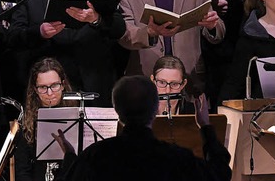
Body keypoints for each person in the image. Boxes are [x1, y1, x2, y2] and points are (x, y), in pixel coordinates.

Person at [7, 0, 126, 107]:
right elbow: (14, 36)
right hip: (46, 88)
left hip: (91, 84)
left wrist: (96, 19)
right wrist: (39, 32)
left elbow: (119, 28)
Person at [59, 75, 231, 181]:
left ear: (117, 112)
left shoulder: (95, 156)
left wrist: (69, 156)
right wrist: (205, 127)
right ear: (155, 110)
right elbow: (220, 174)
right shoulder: (175, 157)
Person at [13, 57, 73, 181]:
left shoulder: (77, 116)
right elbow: (22, 171)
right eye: (43, 88)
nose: (50, 93)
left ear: (63, 85)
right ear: (35, 90)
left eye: (55, 85)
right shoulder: (27, 122)